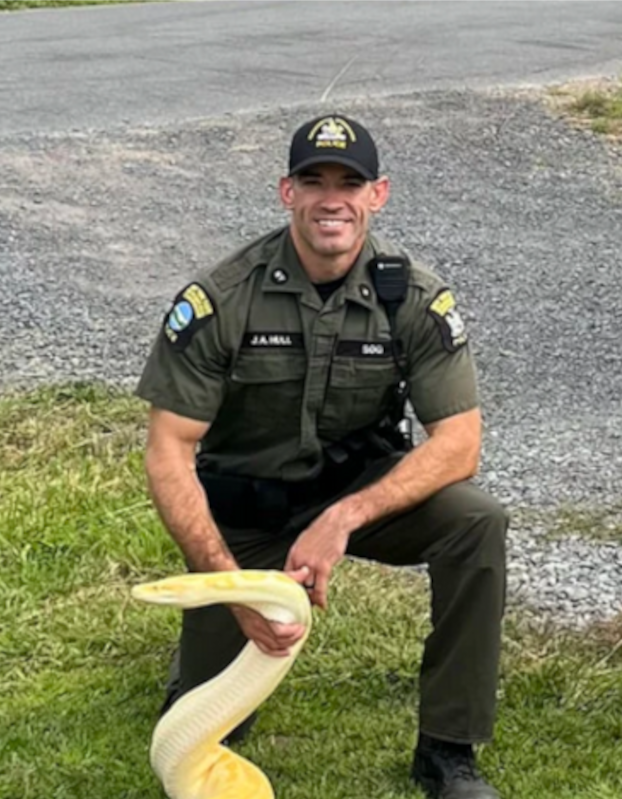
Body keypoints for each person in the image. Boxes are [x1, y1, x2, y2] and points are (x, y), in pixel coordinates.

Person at [134, 113, 508, 799]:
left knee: (477, 520)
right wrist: (230, 582)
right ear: (286, 192)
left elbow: (460, 443)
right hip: (247, 506)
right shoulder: (221, 299)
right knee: (202, 733)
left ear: (378, 194)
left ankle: (448, 751)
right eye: (314, 181)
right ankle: (203, 654)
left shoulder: (415, 298)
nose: (331, 198)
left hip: (354, 496)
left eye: (350, 182)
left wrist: (343, 518)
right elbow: (168, 452)